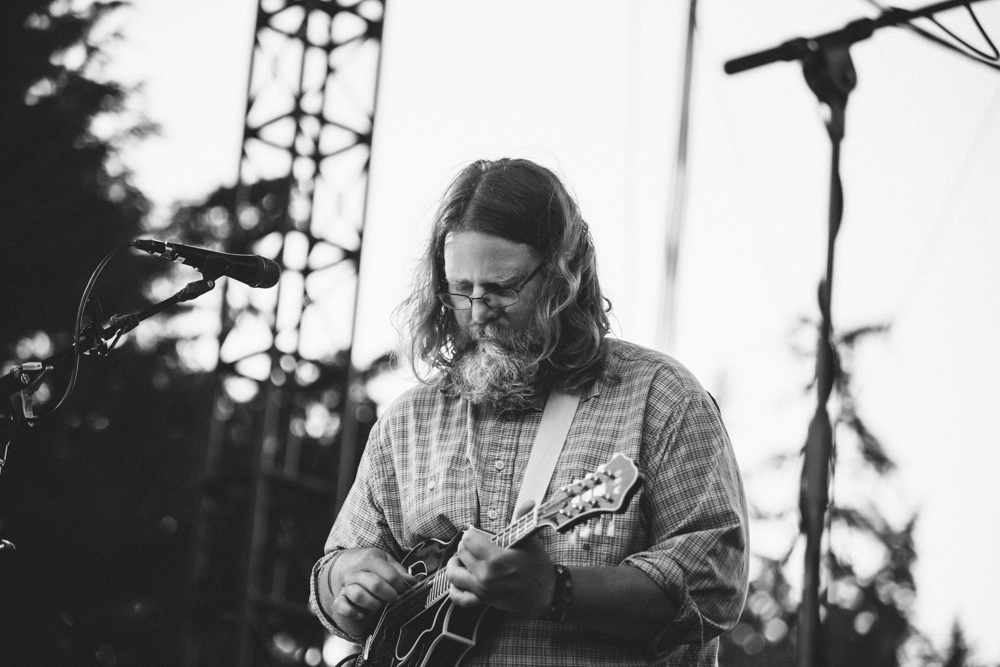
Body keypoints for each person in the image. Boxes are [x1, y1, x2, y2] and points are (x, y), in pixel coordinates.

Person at [309, 158, 749, 666]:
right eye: (461, 289)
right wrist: (346, 582)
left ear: (565, 276)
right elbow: (331, 576)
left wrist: (556, 589)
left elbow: (715, 585)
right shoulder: (407, 421)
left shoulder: (660, 398)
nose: (476, 312)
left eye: (501, 288)